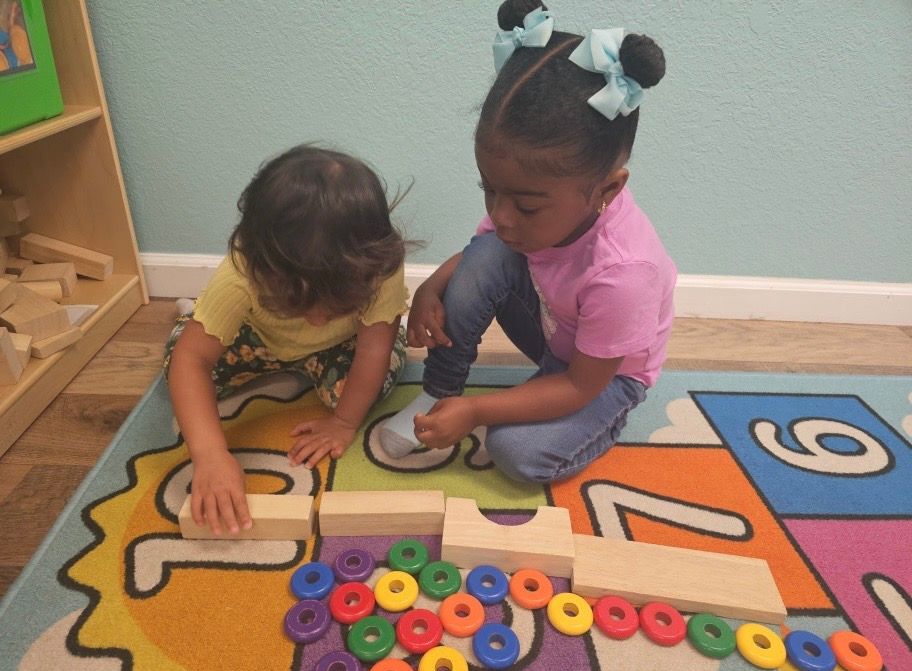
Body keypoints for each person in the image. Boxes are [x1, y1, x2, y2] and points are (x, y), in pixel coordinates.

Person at [380, 0, 676, 484]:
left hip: (603, 377)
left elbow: (580, 385)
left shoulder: (625, 273)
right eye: (488, 189)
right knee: (490, 252)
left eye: (526, 205)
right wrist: (430, 289)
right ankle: (438, 391)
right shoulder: (527, 211)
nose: (500, 213)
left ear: (606, 190)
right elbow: (481, 257)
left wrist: (477, 412)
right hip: (553, 329)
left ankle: (607, 422)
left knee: (517, 453)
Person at [166, 144, 411, 535]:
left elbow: (374, 348)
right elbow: (192, 361)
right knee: (178, 362)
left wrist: (344, 422)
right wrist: (210, 455)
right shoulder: (241, 274)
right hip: (257, 339)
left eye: (333, 307)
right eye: (298, 304)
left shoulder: (379, 269)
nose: (316, 320)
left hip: (340, 346)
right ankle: (201, 314)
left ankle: (215, 321)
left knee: (370, 380)